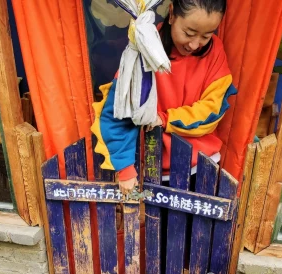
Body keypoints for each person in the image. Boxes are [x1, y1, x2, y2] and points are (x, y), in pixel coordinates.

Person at [91, 0, 236, 195]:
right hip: (153, 169)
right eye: (189, 33)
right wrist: (125, 169)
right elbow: (116, 111)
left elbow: (213, 109)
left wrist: (165, 119)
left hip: (203, 167)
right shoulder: (141, 47)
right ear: (172, 14)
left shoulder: (215, 51)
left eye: (206, 36)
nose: (194, 44)